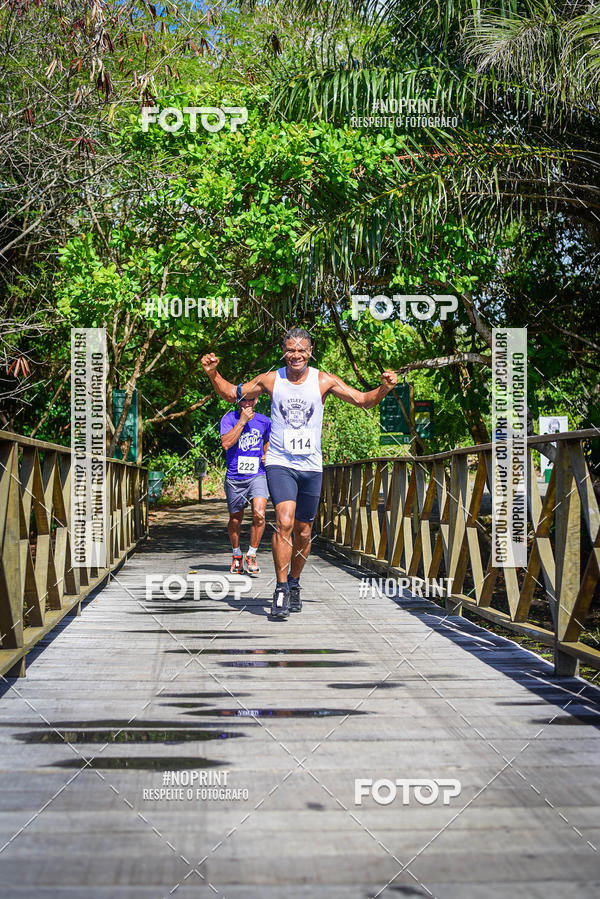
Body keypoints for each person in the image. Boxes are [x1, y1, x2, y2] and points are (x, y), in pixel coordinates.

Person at [202, 327, 398, 620]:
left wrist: (384, 388)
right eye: (291, 350)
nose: (296, 355)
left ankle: (294, 582)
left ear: (310, 351)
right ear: (284, 352)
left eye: (302, 350)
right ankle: (280, 589)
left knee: (304, 531)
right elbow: (233, 393)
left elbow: (362, 400)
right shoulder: (272, 379)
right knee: (284, 521)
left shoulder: (323, 380)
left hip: (310, 466)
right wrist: (213, 373)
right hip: (280, 462)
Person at [220, 395, 271, 575]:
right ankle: (236, 555)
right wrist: (242, 422)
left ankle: (252, 553)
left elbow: (269, 440)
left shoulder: (264, 421)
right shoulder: (229, 419)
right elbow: (226, 443)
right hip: (235, 477)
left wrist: (267, 454)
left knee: (259, 513)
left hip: (257, 475)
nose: (247, 404)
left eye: (251, 400)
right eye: (243, 400)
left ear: (257, 400)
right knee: (236, 518)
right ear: (238, 401)